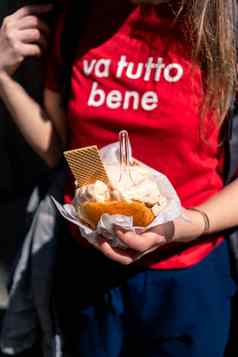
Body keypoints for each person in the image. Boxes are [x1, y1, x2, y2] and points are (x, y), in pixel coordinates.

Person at [0, 0, 237, 356]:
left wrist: (192, 222)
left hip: (188, 276)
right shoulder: (78, 17)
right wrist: (2, 77)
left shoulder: (227, 24)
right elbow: (66, 148)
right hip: (86, 271)